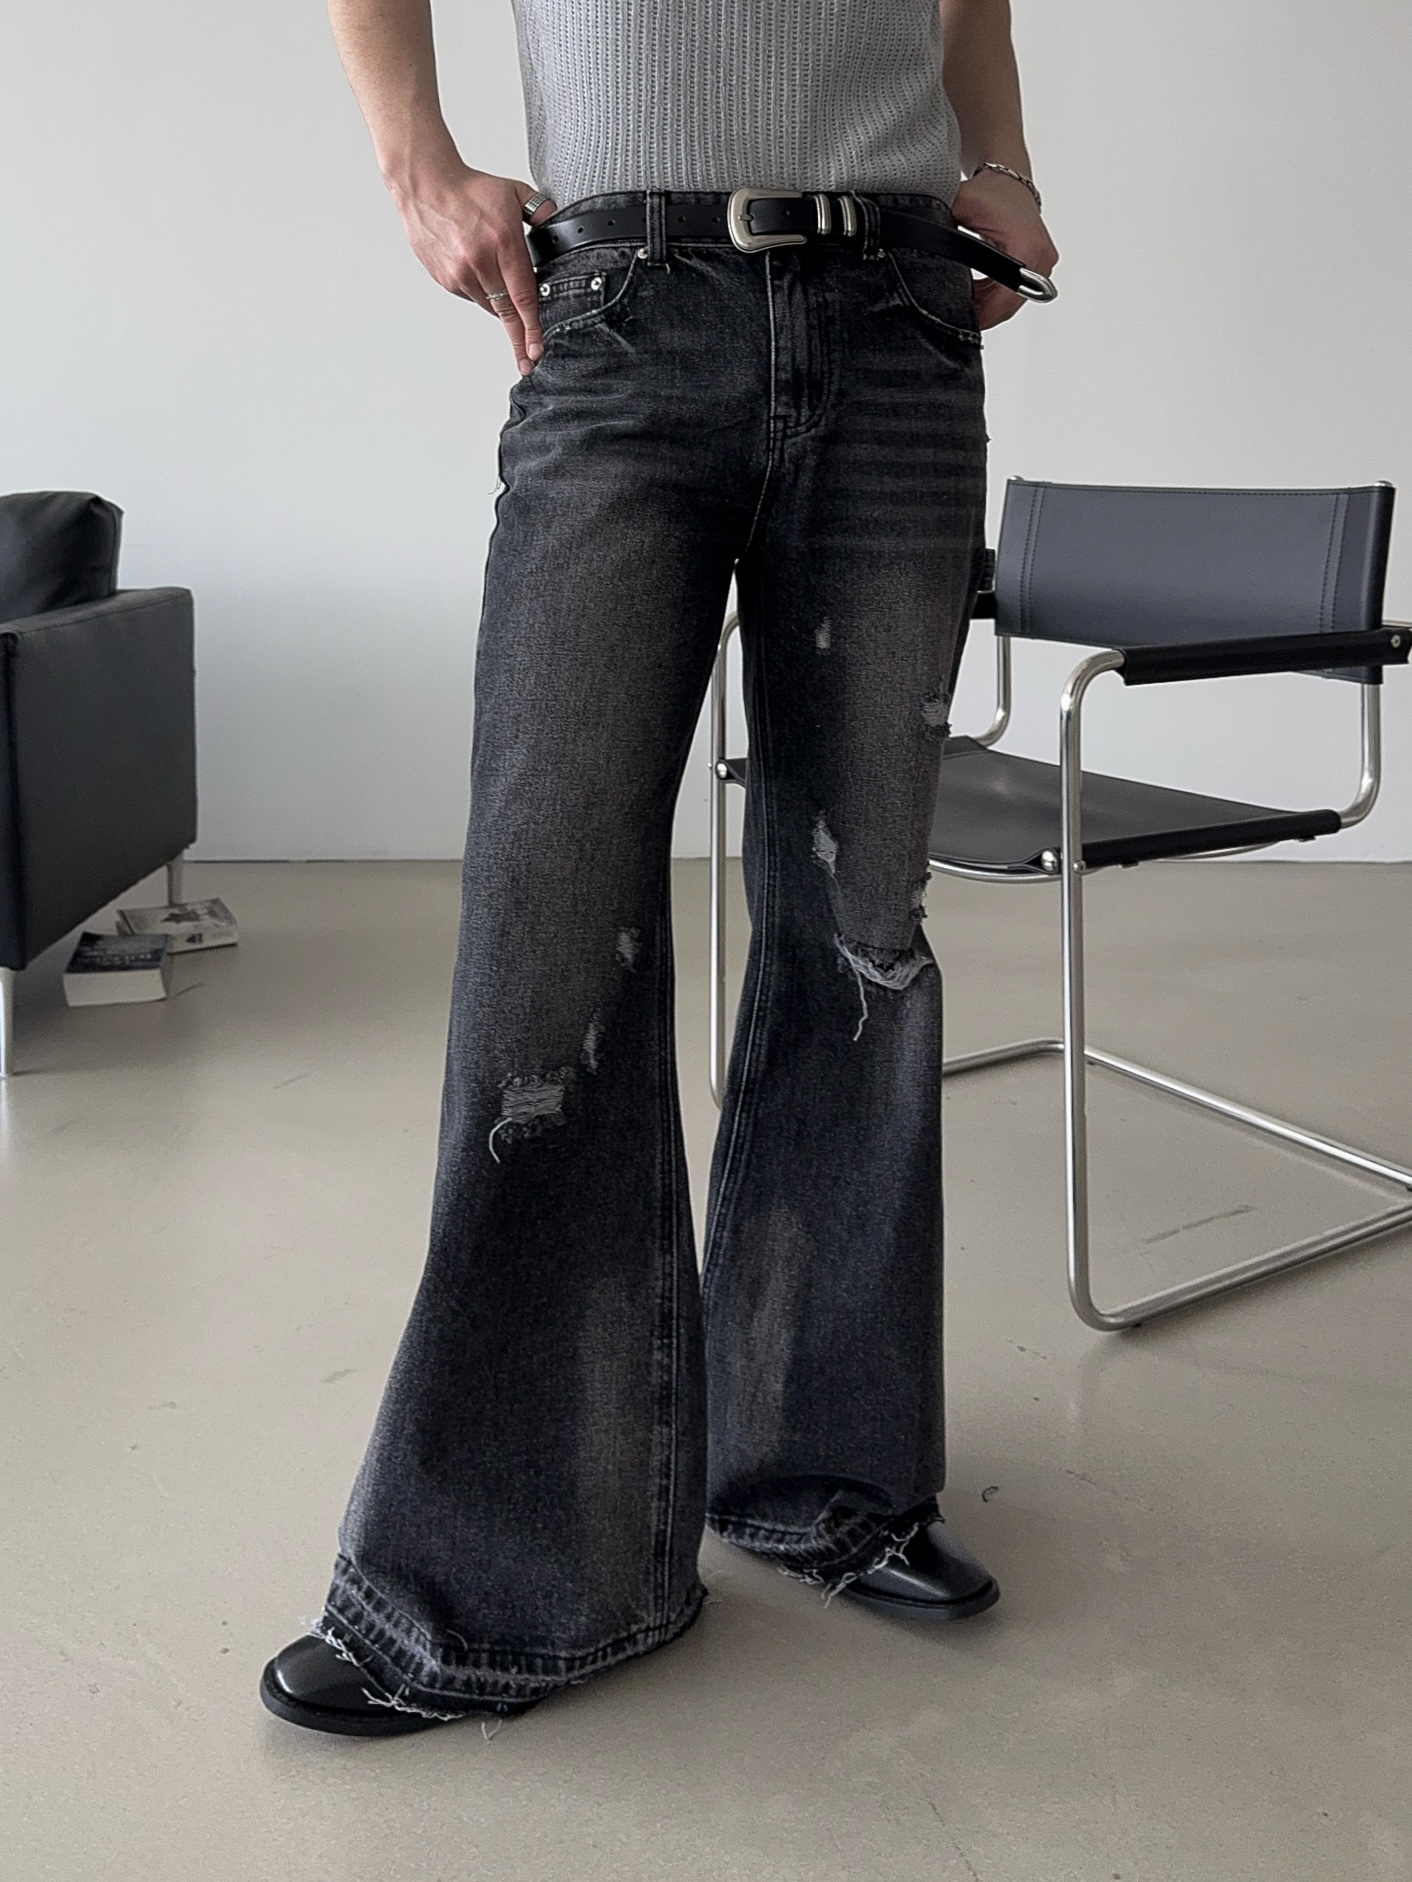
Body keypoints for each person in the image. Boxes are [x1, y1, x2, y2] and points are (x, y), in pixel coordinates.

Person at [261, 0, 1058, 1735]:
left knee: (860, 930)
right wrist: (417, 167)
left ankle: (827, 1472)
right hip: (624, 312)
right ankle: (507, 1572)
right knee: (549, 928)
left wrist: (998, 159)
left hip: (898, 317)